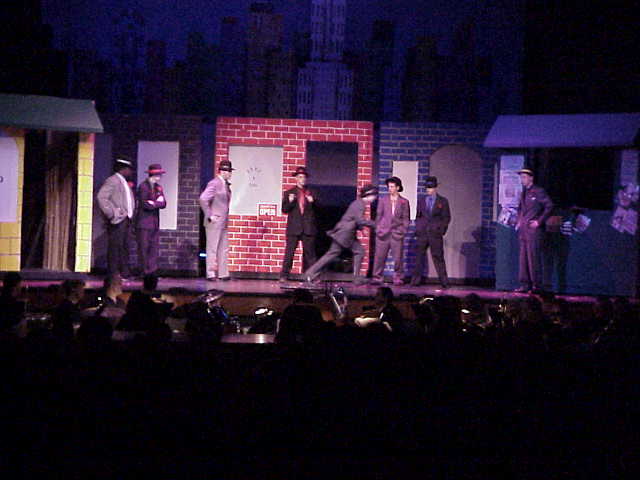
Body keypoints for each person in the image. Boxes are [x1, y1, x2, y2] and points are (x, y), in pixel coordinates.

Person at [304, 184, 378, 286]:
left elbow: (353, 219)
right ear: (369, 195)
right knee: (354, 252)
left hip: (345, 233)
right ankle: (310, 273)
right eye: (374, 195)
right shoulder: (360, 204)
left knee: (349, 252)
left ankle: (311, 273)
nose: (375, 198)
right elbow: (359, 220)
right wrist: (375, 224)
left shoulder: (359, 203)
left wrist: (361, 229)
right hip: (345, 234)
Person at [96, 156, 136, 279]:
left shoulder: (123, 181)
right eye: (129, 169)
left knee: (124, 247)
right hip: (118, 220)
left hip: (126, 220)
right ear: (123, 169)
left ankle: (124, 273)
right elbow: (101, 197)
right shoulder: (112, 180)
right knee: (115, 248)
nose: (130, 172)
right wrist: (112, 213)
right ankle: (113, 274)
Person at [514, 168, 553, 293]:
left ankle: (537, 285)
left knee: (533, 258)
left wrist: (539, 221)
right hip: (524, 230)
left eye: (524, 177)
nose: (522, 180)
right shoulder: (523, 193)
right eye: (521, 177)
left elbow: (549, 206)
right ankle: (525, 284)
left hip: (533, 231)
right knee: (523, 258)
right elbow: (521, 209)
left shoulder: (538, 191)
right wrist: (519, 221)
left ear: (531, 178)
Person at [411, 176, 451, 288]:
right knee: (419, 257)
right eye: (427, 188)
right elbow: (418, 216)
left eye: (431, 187)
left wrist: (441, 230)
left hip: (435, 233)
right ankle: (415, 281)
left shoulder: (443, 201)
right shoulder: (421, 200)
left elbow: (446, 218)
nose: (428, 190)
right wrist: (418, 228)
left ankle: (444, 282)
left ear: (435, 188)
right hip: (423, 233)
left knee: (438, 257)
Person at [280, 166, 317, 282]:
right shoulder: (289, 193)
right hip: (294, 228)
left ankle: (313, 276)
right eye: (300, 177)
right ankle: (284, 275)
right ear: (296, 178)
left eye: (304, 177)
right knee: (289, 253)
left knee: (310, 255)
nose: (302, 179)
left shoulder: (311, 192)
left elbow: (318, 210)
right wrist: (290, 201)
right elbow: (284, 209)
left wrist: (312, 202)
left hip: (308, 228)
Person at [199, 160, 234, 281]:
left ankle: (223, 273)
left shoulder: (225, 184)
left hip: (223, 221)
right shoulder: (214, 183)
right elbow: (203, 199)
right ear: (223, 172)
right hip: (214, 222)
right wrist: (210, 215)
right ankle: (210, 273)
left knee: (223, 248)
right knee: (212, 248)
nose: (230, 174)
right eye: (229, 171)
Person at [372, 176, 410, 285]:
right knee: (379, 257)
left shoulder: (404, 202)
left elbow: (406, 218)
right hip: (383, 233)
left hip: (397, 233)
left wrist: (403, 230)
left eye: (392, 186)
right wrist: (378, 229)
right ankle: (377, 277)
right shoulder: (383, 200)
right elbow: (378, 216)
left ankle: (398, 278)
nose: (390, 189)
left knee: (398, 258)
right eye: (389, 187)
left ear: (397, 187)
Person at [136, 163, 167, 276]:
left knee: (153, 248)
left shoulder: (158, 187)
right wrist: (156, 202)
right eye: (158, 174)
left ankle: (152, 271)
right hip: (144, 223)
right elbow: (145, 204)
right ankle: (144, 271)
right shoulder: (143, 186)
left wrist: (154, 203)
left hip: (154, 222)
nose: (159, 177)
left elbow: (163, 203)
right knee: (144, 248)